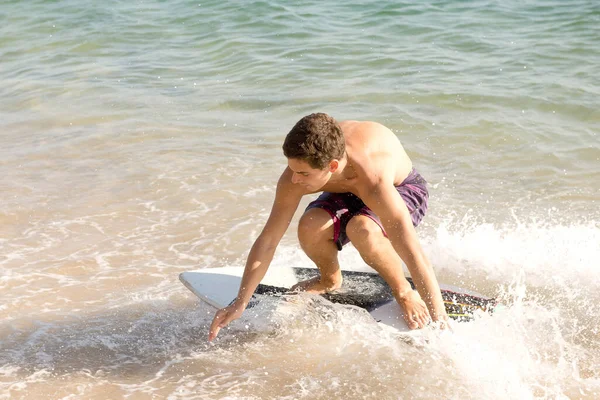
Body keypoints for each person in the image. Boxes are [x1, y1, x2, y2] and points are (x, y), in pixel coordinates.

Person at [208, 113, 448, 341]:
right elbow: (268, 240)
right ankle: (329, 279)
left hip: (400, 188)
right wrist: (240, 302)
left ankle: (404, 291)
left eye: (302, 173)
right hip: (344, 188)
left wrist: (440, 321)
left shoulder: (374, 177)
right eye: (292, 169)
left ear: (332, 167)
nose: (294, 179)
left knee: (362, 229)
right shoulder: (301, 169)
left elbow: (411, 250)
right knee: (310, 225)